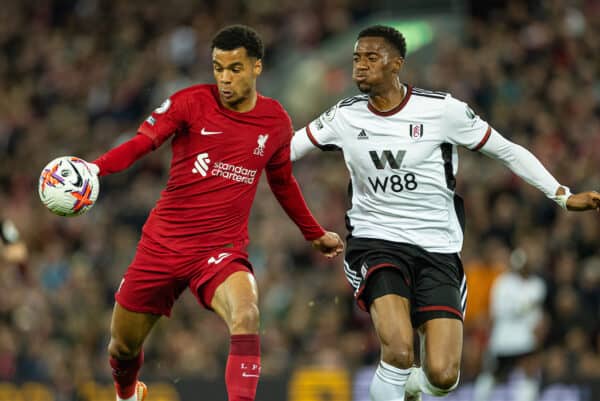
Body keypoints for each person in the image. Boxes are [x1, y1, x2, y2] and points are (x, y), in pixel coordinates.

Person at [290, 24, 600, 401]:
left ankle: (414, 390)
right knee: (400, 351)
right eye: (356, 58)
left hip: (437, 249)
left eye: (372, 58)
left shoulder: (442, 111)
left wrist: (562, 194)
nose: (360, 66)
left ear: (397, 65)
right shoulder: (344, 116)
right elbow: (284, 151)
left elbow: (506, 150)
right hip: (376, 242)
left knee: (443, 375)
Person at [86, 25, 344, 401]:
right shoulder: (189, 102)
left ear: (257, 67)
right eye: (218, 68)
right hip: (162, 245)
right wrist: (96, 168)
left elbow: (283, 183)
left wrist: (314, 232)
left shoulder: (274, 122)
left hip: (219, 251)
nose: (224, 78)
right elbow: (144, 143)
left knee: (247, 313)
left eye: (234, 69)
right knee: (121, 349)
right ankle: (127, 394)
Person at [472, 248, 547, 401]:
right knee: (492, 374)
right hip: (503, 339)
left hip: (526, 338)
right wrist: (523, 307)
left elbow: (535, 314)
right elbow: (499, 310)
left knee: (527, 374)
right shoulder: (503, 282)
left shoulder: (537, 284)